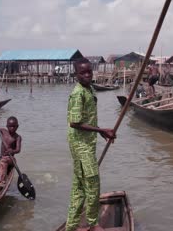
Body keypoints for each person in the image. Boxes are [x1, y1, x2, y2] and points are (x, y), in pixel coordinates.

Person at [65, 57, 116, 231]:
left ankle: (71, 227)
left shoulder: (90, 89)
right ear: (76, 75)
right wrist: (101, 130)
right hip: (80, 145)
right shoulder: (78, 93)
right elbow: (74, 122)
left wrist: (100, 133)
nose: (87, 75)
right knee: (93, 186)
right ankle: (93, 224)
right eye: (82, 73)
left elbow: (87, 119)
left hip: (87, 142)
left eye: (89, 72)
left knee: (79, 189)